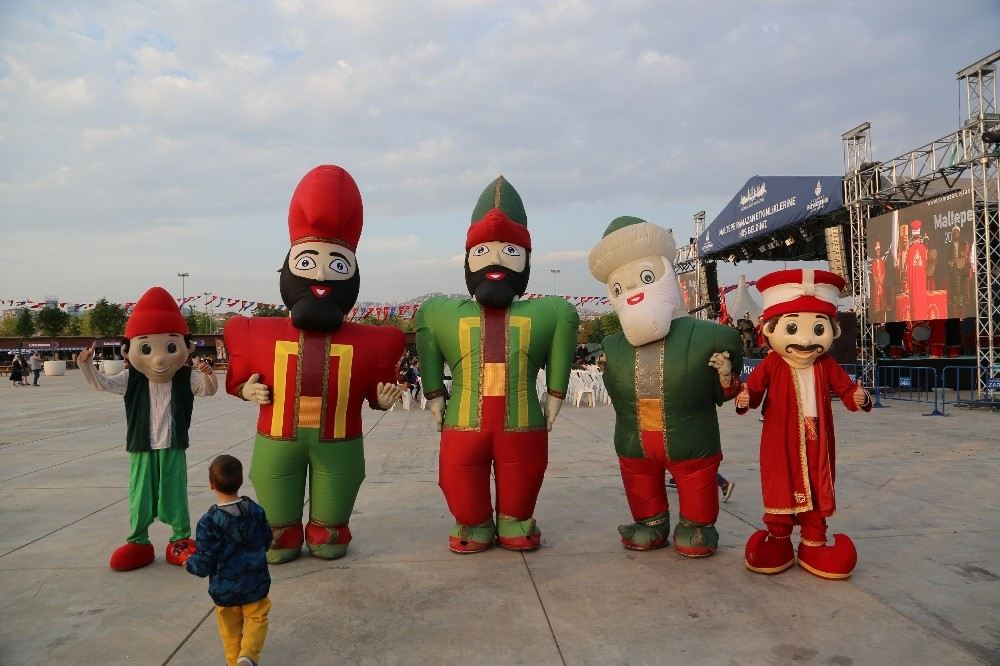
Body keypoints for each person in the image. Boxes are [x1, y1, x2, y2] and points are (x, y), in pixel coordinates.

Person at [224, 165, 404, 564]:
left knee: (332, 521)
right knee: (276, 513)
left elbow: (376, 394)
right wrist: (245, 388)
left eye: (338, 265)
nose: (322, 275)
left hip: (339, 442)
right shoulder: (254, 332)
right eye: (309, 263)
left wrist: (383, 398)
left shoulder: (373, 342)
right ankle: (281, 531)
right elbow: (238, 379)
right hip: (277, 438)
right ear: (288, 268)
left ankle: (329, 528)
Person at [416, 176, 579, 553]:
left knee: (521, 476)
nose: (495, 259)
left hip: (519, 424)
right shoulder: (440, 313)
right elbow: (425, 333)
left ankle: (515, 519)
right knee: (459, 475)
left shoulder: (549, 313)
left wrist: (556, 394)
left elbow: (564, 325)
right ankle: (473, 523)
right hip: (464, 423)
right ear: (468, 258)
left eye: (509, 250)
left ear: (525, 261)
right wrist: (434, 394)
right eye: (483, 250)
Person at [588, 216, 743, 556]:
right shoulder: (613, 346)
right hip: (634, 440)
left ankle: (697, 525)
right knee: (640, 481)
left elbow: (726, 394)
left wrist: (726, 375)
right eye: (619, 288)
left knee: (696, 481)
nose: (631, 295)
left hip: (691, 439)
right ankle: (649, 522)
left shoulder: (711, 337)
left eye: (645, 278)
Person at [736, 269, 871, 580]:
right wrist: (746, 399)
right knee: (781, 481)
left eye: (818, 328)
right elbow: (754, 389)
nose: (806, 339)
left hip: (817, 434)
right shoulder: (772, 362)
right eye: (793, 327)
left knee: (816, 482)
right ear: (771, 329)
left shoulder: (826, 364)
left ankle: (814, 543)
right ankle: (779, 542)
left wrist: (859, 397)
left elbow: (846, 390)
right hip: (780, 436)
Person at [79, 287, 219, 571]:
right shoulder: (131, 379)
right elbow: (101, 383)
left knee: (175, 492)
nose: (158, 359)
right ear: (128, 350)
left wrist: (209, 376)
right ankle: (138, 540)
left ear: (186, 347)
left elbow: (207, 391)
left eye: (170, 348)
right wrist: (86, 367)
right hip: (142, 446)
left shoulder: (185, 377)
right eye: (146, 348)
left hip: (172, 443)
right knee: (140, 493)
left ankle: (179, 540)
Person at [183, 455, 272, 666]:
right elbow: (266, 540)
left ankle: (235, 662)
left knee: (230, 634)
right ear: (241, 481)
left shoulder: (208, 523)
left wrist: (188, 562)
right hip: (255, 583)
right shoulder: (256, 511)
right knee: (257, 619)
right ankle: (248, 654)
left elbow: (205, 562)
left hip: (224, 588)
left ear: (212, 485)